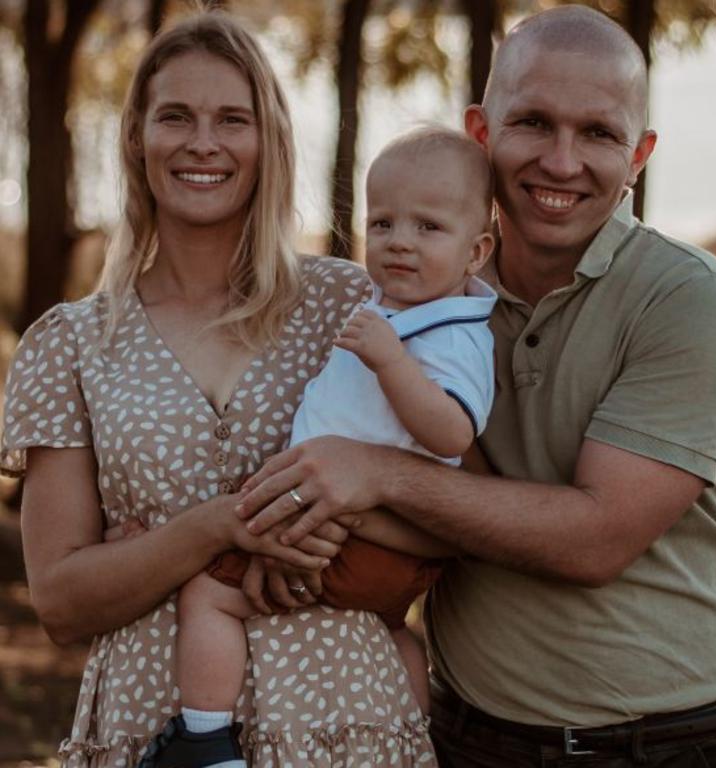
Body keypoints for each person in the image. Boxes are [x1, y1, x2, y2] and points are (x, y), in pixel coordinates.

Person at [235, 6, 716, 767]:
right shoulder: (422, 298)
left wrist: (373, 473)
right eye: (535, 123)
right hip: (461, 735)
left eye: (600, 134)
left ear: (640, 154)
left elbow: (594, 539)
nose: (561, 160)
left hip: (654, 747)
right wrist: (264, 536)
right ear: (481, 132)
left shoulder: (687, 302)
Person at [0, 11, 437, 767]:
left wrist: (353, 519)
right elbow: (64, 602)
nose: (204, 143)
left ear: (267, 141)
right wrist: (214, 527)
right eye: (177, 117)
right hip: (152, 726)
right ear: (137, 137)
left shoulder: (354, 306)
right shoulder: (70, 343)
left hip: (349, 724)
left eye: (233, 119)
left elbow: (450, 515)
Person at [159, 126, 496, 735]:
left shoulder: (456, 333)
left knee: (210, 595)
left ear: (476, 253)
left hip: (352, 538)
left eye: (429, 228)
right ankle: (412, 737)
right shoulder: (392, 305)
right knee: (394, 630)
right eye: (385, 223)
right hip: (382, 550)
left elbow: (452, 433)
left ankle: (203, 740)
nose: (400, 243)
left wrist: (390, 361)